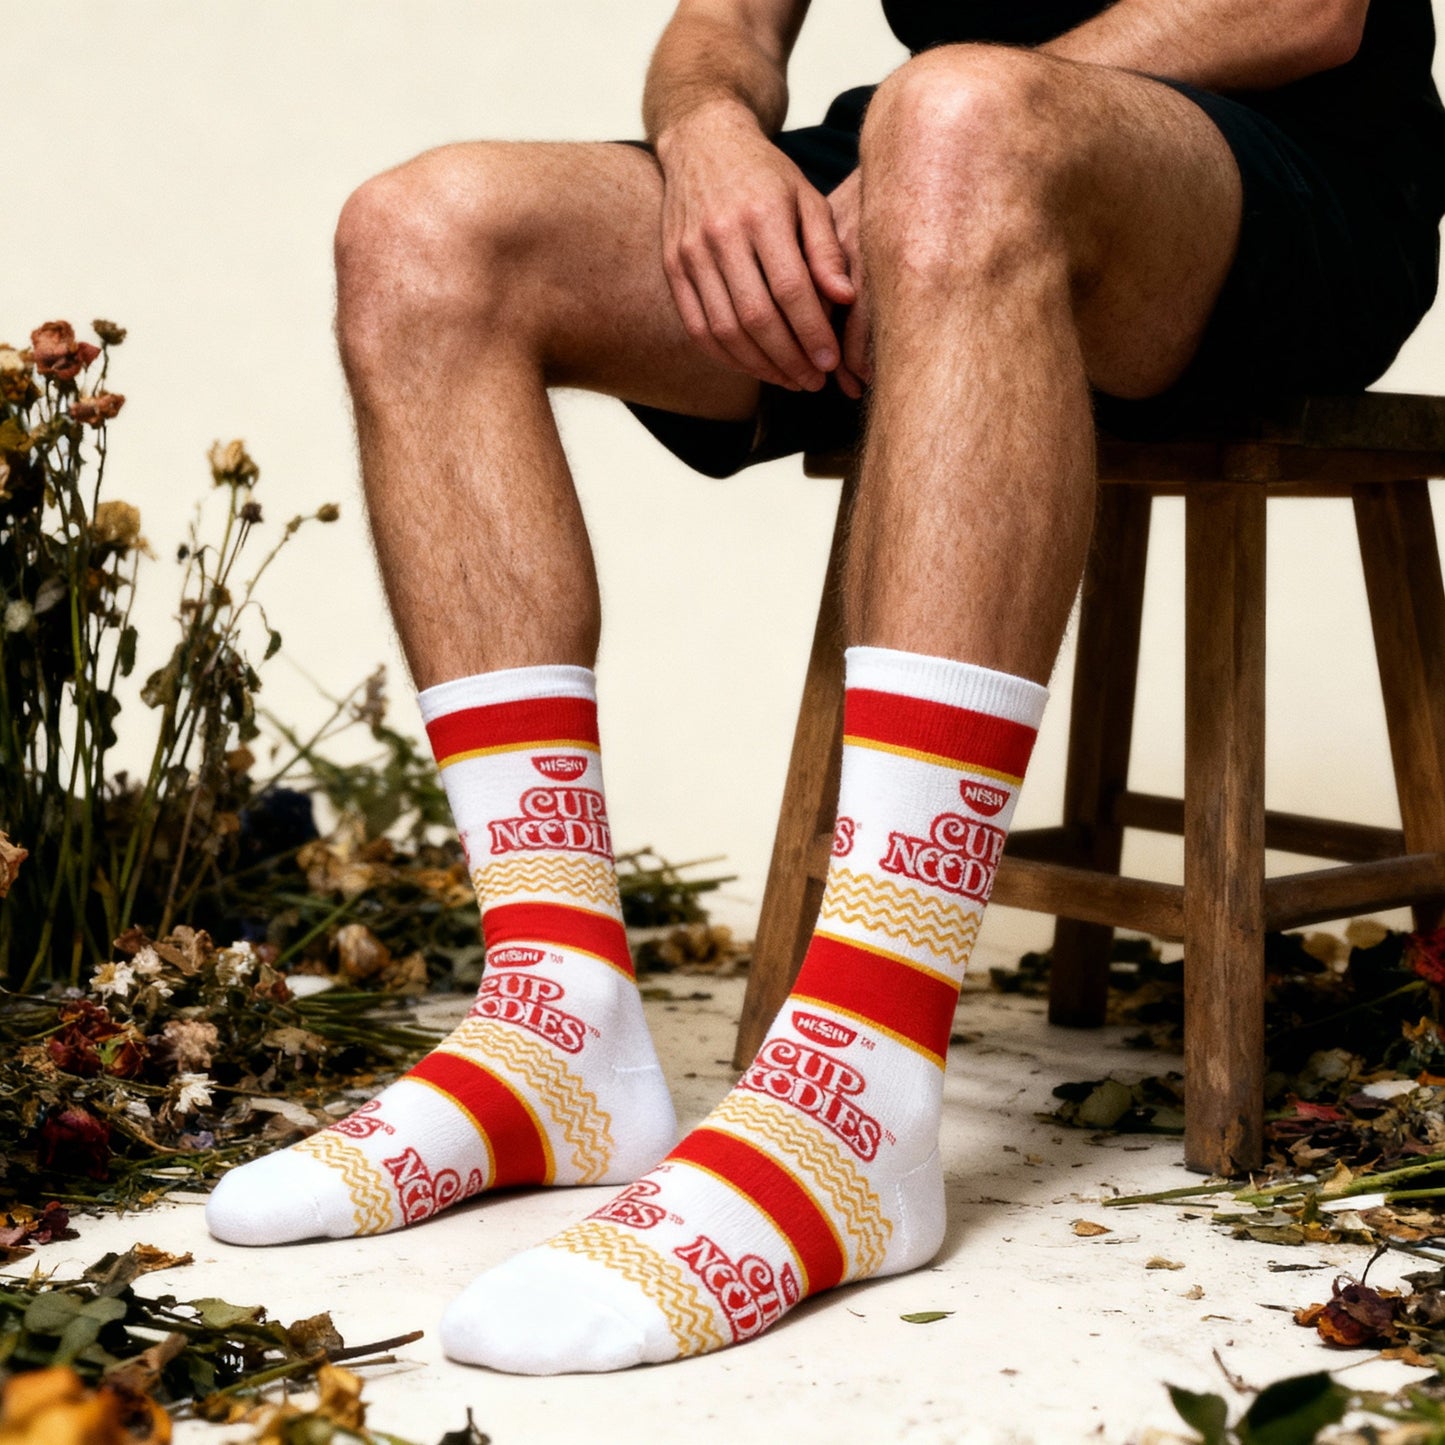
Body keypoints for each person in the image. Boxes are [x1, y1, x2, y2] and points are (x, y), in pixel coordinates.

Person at [206, 0, 1445, 1375]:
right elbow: (721, 26)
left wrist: (924, 159)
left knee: (956, 114)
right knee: (422, 233)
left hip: (1268, 175)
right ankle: (549, 1029)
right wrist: (710, 138)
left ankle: (858, 1087)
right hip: (932, 160)